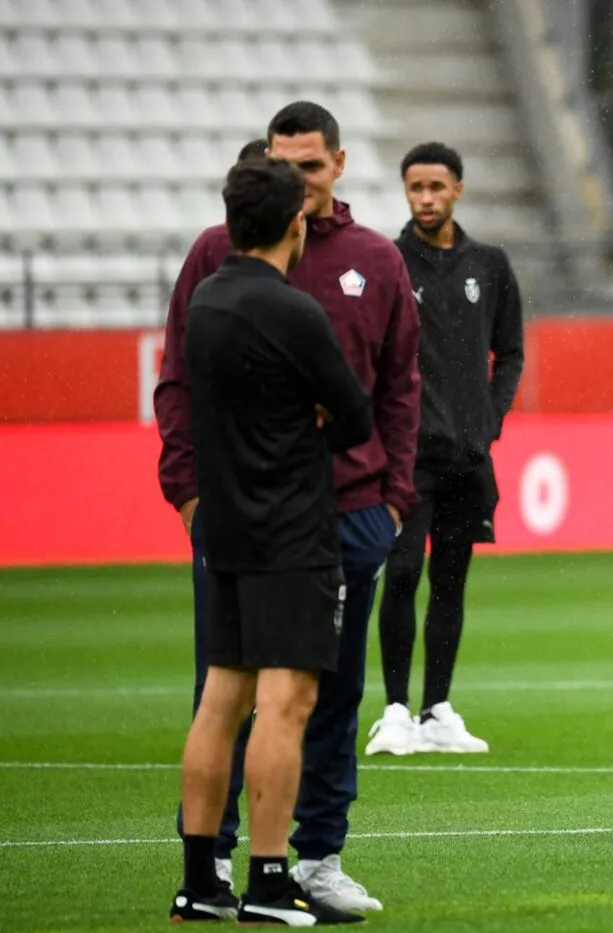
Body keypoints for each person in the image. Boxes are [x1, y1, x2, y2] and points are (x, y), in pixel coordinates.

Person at [155, 101, 421, 911]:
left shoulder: (374, 260)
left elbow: (405, 384)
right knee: (268, 697)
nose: (296, 180)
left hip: (344, 513)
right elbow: (179, 383)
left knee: (316, 698)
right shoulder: (227, 259)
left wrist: (396, 502)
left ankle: (312, 858)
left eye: (309, 165)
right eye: (281, 164)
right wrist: (185, 490)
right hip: (280, 519)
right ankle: (257, 869)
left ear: (337, 165)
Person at [169, 157, 371, 926]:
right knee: (287, 705)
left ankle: (198, 879)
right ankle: (267, 879)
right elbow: (353, 416)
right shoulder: (294, 312)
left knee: (221, 699)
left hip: (224, 528)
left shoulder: (207, 301)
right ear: (295, 225)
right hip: (292, 529)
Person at [367, 142, 524, 756]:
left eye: (436, 187)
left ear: (457, 189)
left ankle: (436, 710)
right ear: (406, 192)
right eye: (415, 188)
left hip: (468, 454)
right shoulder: (388, 263)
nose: (425, 199)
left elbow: (509, 350)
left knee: (452, 580)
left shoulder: (488, 264)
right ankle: (395, 711)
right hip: (406, 456)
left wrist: (491, 416)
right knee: (402, 572)